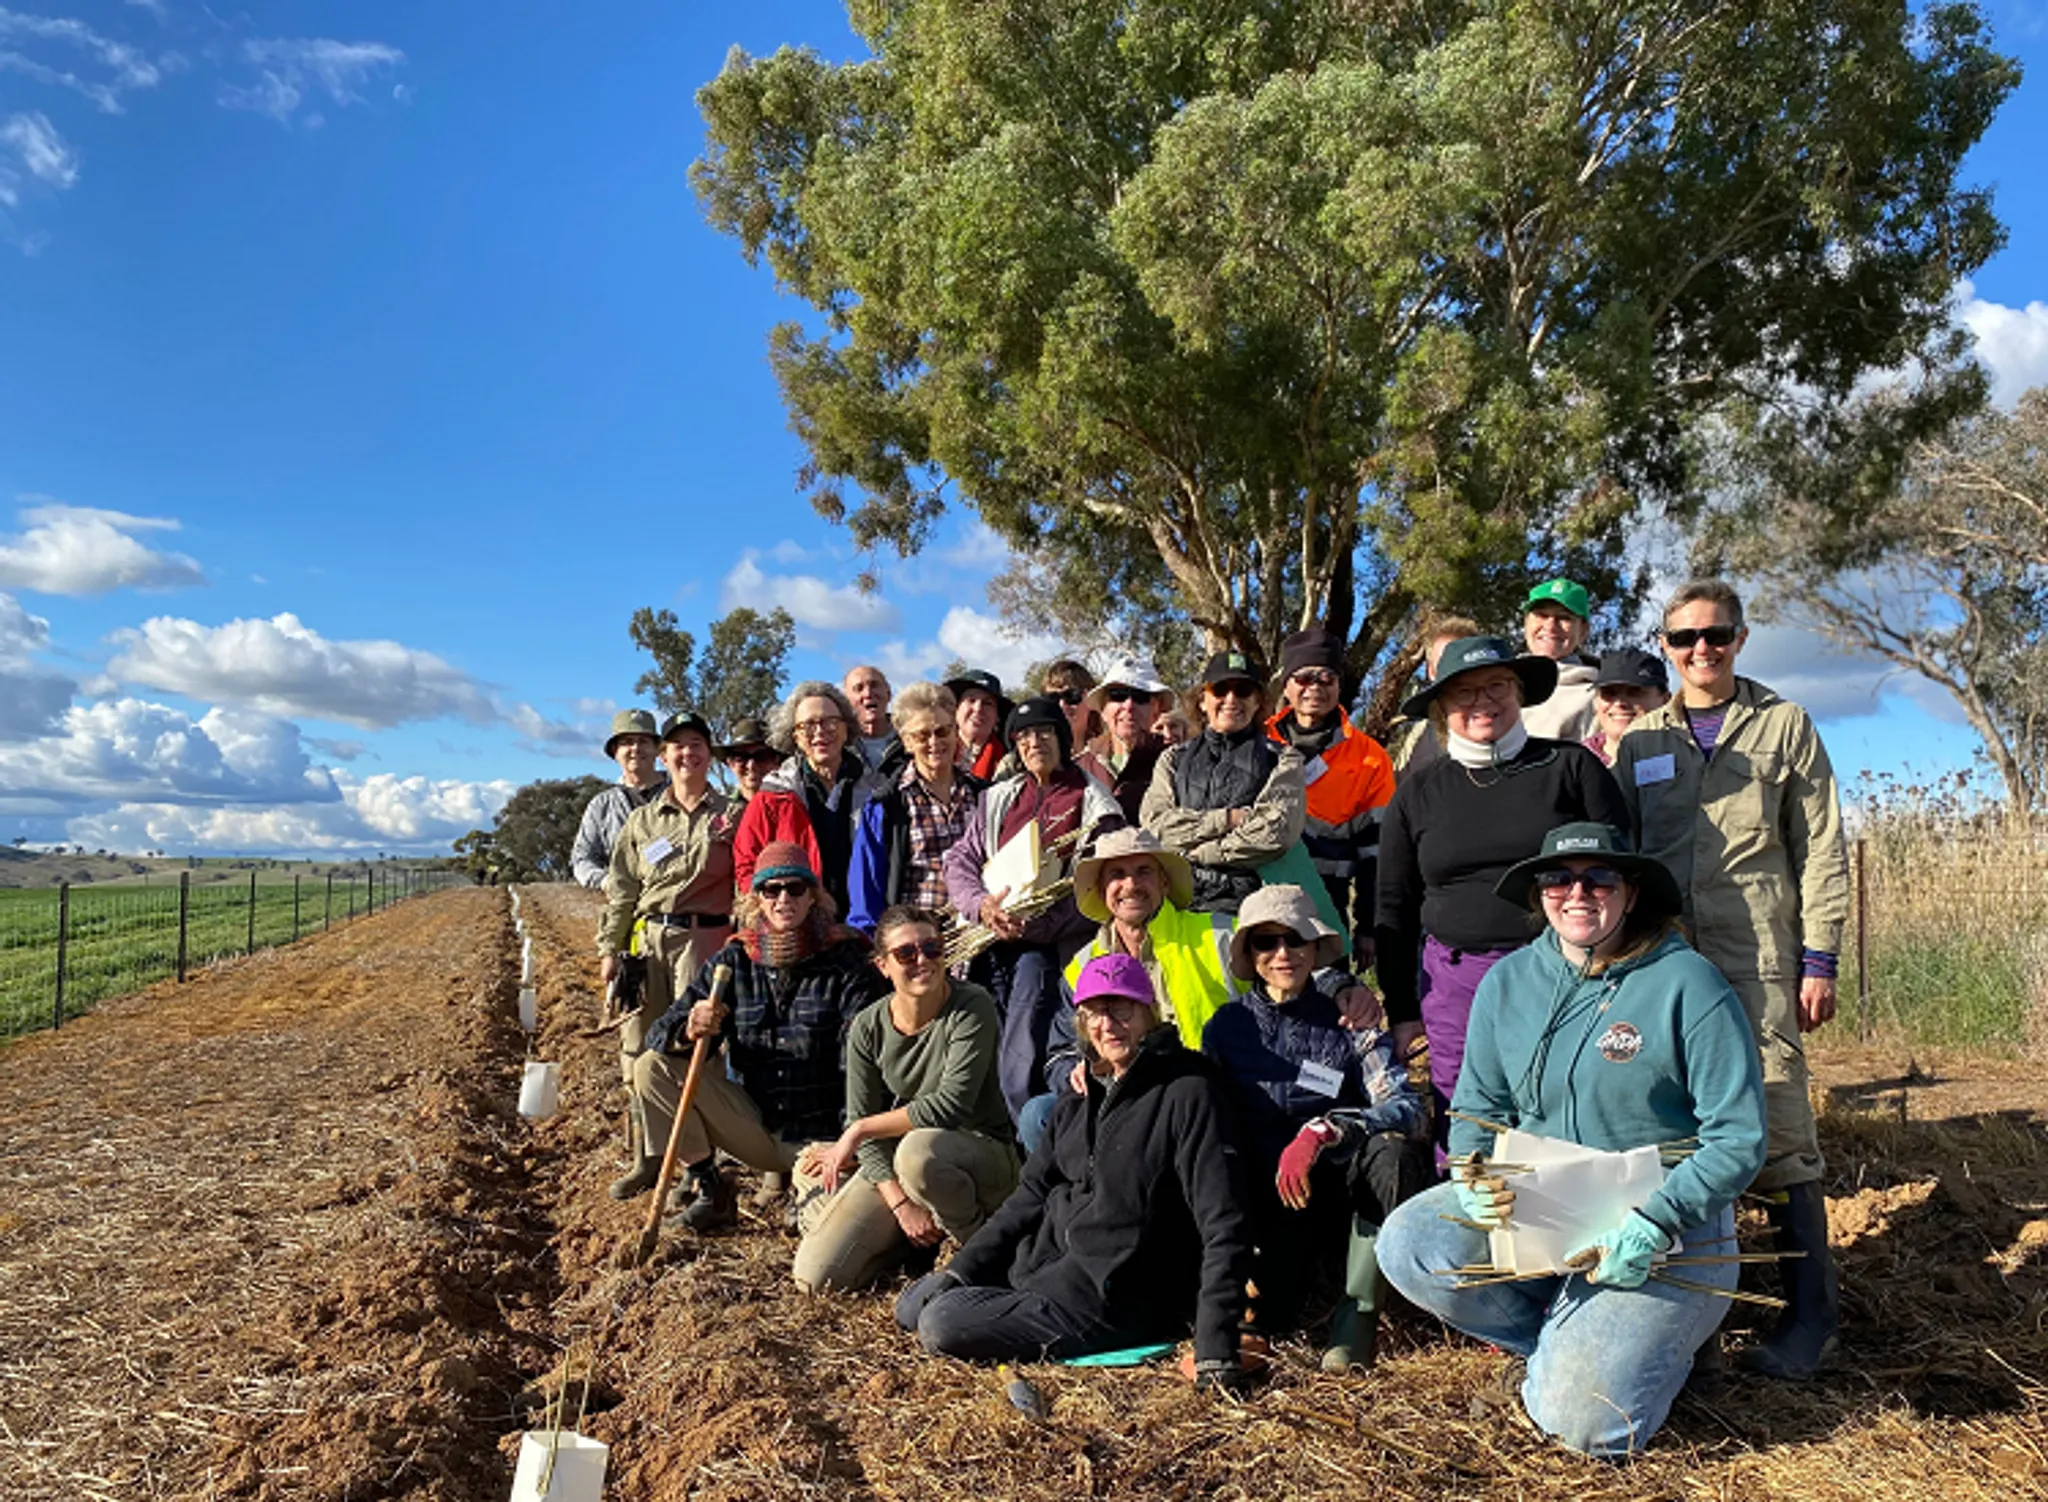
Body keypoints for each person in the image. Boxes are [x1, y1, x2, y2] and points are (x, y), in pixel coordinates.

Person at [1376, 822, 1768, 1458]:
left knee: (1586, 1430)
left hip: (1662, 1226)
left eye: (1599, 878)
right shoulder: (1507, 982)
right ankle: (1561, 1343)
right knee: (1411, 1243)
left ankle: (1663, 1346)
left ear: (1631, 893)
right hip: (1540, 1203)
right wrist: (1471, 1171)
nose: (1576, 892)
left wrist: (1657, 1220)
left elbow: (1738, 1138)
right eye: (1558, 878)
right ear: (1539, 893)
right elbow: (1477, 1103)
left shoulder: (1689, 985)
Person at [1613, 579, 1851, 1382]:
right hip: (1668, 960)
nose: (1701, 652)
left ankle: (1810, 1320)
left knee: (1779, 1123)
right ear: (1668, 646)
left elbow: (1821, 849)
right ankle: (1696, 1317)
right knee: (1675, 1128)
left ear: (1740, 640)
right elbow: (1621, 859)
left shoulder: (1784, 727)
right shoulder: (1640, 743)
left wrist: (1820, 959)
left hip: (1759, 959)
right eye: (1684, 640)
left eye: (1716, 636)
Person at [895, 953, 1254, 1389]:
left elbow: (1223, 1221)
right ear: (1082, 1022)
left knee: (940, 1322)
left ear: (1148, 1013)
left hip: (1112, 1300)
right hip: (1043, 1273)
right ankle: (980, 1293)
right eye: (1096, 1012)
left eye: (1122, 1007)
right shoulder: (1083, 1093)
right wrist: (961, 1270)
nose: (1110, 1023)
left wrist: (1215, 1347)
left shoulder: (1187, 1092)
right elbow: (1029, 1195)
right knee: (911, 1307)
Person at [1374, 635, 1629, 1156]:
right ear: (1443, 707)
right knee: (1469, 1118)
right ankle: (1476, 1228)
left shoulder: (1572, 768)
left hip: (1566, 973)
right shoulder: (1417, 792)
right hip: (1455, 980)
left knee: (1568, 1106)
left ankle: (1569, 1230)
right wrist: (1402, 1010)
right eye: (1464, 692)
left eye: (1496, 686)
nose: (1482, 702)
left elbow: (1621, 873)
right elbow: (1394, 906)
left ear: (1519, 693)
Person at [635, 846, 881, 1228]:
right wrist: (690, 1027)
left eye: (796, 889)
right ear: (757, 899)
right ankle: (711, 1189)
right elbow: (657, 1034)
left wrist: (848, 1142)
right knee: (652, 1067)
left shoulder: (847, 959)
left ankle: (806, 1196)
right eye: (772, 890)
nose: (784, 899)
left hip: (821, 1138)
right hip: (754, 1123)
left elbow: (862, 1061)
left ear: (813, 896)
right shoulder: (733, 960)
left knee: (824, 1235)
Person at [792, 906, 1019, 1293]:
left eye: (932, 948)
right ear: (882, 966)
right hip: (904, 1166)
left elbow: (952, 1105)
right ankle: (912, 1247)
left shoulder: (972, 1006)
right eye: (905, 954)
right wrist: (900, 1206)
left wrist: (860, 1130)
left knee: (917, 1152)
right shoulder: (867, 1026)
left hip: (975, 1155)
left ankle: (978, 1252)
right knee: (816, 1278)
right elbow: (865, 1125)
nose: (922, 961)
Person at [945, 696, 1121, 1119]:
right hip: (988, 944)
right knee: (985, 1038)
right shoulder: (999, 799)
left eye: (1043, 732)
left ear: (1062, 738)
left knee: (1024, 1051)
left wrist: (1038, 927)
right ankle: (991, 1134)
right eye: (1023, 736)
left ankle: (1033, 1144)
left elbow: (1102, 884)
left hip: (1050, 950)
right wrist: (982, 907)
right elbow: (960, 860)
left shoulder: (1093, 804)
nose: (1033, 743)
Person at [597, 712, 739, 1196]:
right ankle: (649, 1159)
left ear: (709, 754)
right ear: (665, 756)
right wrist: (612, 949)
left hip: (704, 942)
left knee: (695, 1049)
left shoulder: (732, 815)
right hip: (648, 943)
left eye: (697, 744)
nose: (687, 754)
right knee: (638, 1049)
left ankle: (699, 1168)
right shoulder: (642, 821)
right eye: (677, 746)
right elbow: (621, 890)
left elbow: (743, 885)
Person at [1142, 650, 1308, 913]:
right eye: (1220, 689)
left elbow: (1276, 832)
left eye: (1243, 690)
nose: (1231, 699)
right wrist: (1228, 819)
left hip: (1251, 911)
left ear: (1258, 702)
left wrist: (1201, 853)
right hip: (1176, 904)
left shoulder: (1283, 759)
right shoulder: (1173, 759)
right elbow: (1156, 827)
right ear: (1202, 700)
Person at [1266, 628, 1395, 963]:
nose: (1315, 688)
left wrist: (1368, 926)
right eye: (1305, 677)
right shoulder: (1255, 744)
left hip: (1327, 906)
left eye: (1326, 678)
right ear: (1286, 686)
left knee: (1328, 1006)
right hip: (1258, 898)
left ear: (1338, 685)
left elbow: (1377, 853)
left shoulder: (1370, 757)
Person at [848, 682, 987, 934]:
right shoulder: (886, 806)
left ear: (956, 733)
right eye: (922, 735)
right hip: (918, 945)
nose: (935, 742)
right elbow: (866, 894)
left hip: (981, 935)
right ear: (906, 742)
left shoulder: (983, 796)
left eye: (943, 731)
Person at [735, 680, 874, 913]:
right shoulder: (771, 798)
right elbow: (746, 865)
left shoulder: (876, 790)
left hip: (866, 924)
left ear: (846, 728)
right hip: (797, 926)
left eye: (830, 722)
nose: (819, 732)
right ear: (795, 737)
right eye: (807, 725)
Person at [571, 709, 667, 889]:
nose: (636, 748)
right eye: (627, 742)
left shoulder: (681, 796)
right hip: (621, 907)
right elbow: (582, 858)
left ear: (657, 750)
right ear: (615, 752)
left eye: (643, 741)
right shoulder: (601, 805)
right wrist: (607, 882)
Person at [1386, 615, 1482, 777]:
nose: (1455, 668)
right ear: (1430, 670)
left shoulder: (1503, 718)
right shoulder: (1420, 732)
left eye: (1463, 658)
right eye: (1446, 660)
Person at [1084, 656, 1173, 823]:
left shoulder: (1176, 763)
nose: (1129, 705)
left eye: (1140, 696)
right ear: (1103, 710)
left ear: (1156, 709)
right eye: (1118, 695)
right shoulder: (1081, 766)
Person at [1517, 579, 1600, 742]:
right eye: (1541, 615)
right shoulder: (1499, 682)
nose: (1550, 626)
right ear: (1526, 622)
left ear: (1583, 630)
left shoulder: (1596, 697)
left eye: (1564, 618)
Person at [1583, 649, 1670, 767]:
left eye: (1635, 691)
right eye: (1609, 692)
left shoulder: (1687, 758)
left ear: (1665, 701)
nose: (1619, 703)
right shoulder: (1576, 763)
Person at [946, 668, 1013, 782]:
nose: (978, 709)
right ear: (956, 709)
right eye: (971, 700)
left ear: (997, 716)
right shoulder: (935, 748)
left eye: (988, 703)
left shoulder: (1013, 761)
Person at [717, 716, 782, 806]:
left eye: (761, 756)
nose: (751, 765)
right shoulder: (721, 815)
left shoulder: (793, 806)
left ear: (776, 761)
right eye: (741, 757)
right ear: (730, 763)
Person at [845, 665, 896, 770]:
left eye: (874, 685)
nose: (868, 693)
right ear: (846, 701)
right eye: (859, 688)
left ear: (889, 694)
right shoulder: (839, 745)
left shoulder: (910, 738)